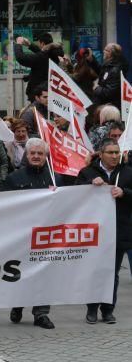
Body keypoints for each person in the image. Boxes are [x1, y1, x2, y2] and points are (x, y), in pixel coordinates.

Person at [3, 138, 57, 328]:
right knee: (22, 274)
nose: (36, 156)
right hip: (22, 237)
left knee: (45, 275)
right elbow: (5, 208)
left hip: (46, 237)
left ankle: (41, 313)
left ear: (46, 156)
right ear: (26, 155)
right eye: (32, 153)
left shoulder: (55, 178)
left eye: (40, 153)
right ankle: (18, 305)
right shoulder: (13, 178)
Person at [77, 138, 132, 324]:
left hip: (119, 230)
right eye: (110, 152)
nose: (115, 156)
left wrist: (125, 193)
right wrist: (89, 185)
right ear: (101, 154)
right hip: (94, 231)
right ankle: (91, 309)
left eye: (117, 152)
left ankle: (108, 310)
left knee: (112, 272)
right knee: (94, 270)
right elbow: (73, 195)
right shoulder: (87, 172)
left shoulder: (128, 173)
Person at [15, 33, 64, 102]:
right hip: (51, 92)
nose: (39, 46)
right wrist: (29, 45)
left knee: (39, 112)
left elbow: (21, 58)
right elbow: (42, 52)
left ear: (42, 43)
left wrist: (18, 44)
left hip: (39, 94)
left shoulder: (42, 57)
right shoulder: (53, 55)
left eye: (39, 44)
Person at [93, 43, 128, 109]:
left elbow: (110, 92)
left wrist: (97, 88)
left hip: (110, 108)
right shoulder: (109, 65)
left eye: (105, 50)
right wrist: (92, 60)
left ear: (110, 53)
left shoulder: (115, 70)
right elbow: (101, 72)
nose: (103, 51)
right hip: (105, 105)